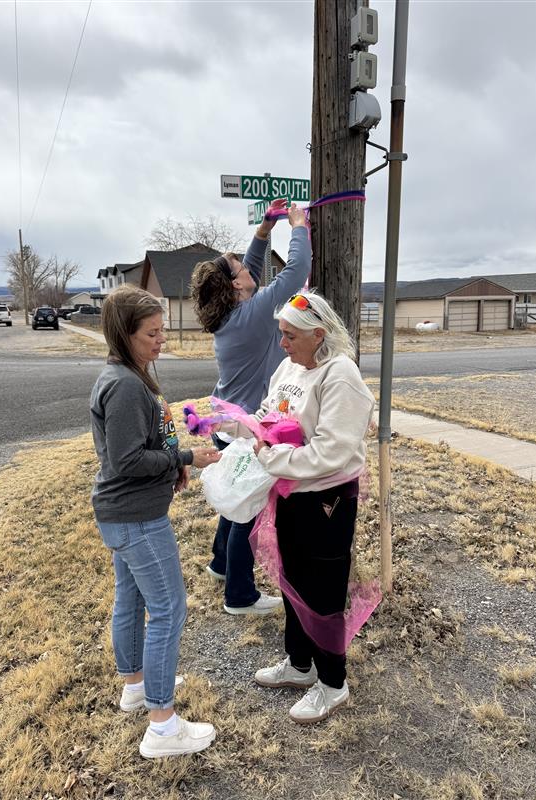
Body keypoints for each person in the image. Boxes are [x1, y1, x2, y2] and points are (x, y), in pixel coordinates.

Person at [230, 291, 376, 724]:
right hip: (291, 491)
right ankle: (299, 664)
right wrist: (246, 428)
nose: (282, 344)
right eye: (281, 334)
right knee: (291, 578)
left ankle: (333, 683)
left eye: (290, 335)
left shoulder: (341, 375)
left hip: (327, 498)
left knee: (323, 587)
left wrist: (271, 458)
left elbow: (333, 450)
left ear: (319, 334)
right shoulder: (289, 367)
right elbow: (268, 412)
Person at [90, 285, 221, 758]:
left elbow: (144, 445)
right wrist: (186, 456)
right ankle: (163, 726)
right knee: (168, 609)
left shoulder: (131, 372)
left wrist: (172, 463)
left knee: (131, 597)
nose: (162, 339)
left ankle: (136, 686)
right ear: (125, 335)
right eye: (152, 332)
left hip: (127, 514)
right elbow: (125, 460)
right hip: (136, 518)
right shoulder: (124, 385)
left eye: (162, 329)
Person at [190, 200, 311, 616]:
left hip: (228, 423)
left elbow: (253, 273)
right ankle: (240, 596)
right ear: (235, 286)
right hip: (247, 428)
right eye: (240, 269)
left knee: (234, 494)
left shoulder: (235, 315)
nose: (247, 269)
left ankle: (221, 564)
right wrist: (298, 226)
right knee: (247, 512)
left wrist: (264, 229)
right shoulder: (253, 314)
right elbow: (294, 274)